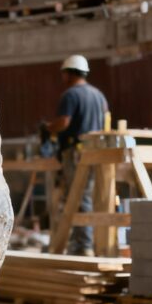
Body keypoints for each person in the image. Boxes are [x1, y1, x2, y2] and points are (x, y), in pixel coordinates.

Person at [43, 54, 109, 256]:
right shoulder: (98, 95)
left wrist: (48, 128)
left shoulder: (70, 95)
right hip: (96, 151)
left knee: (78, 197)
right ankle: (85, 241)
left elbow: (63, 122)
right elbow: (106, 118)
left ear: (68, 74)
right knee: (89, 196)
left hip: (76, 152)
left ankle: (84, 245)